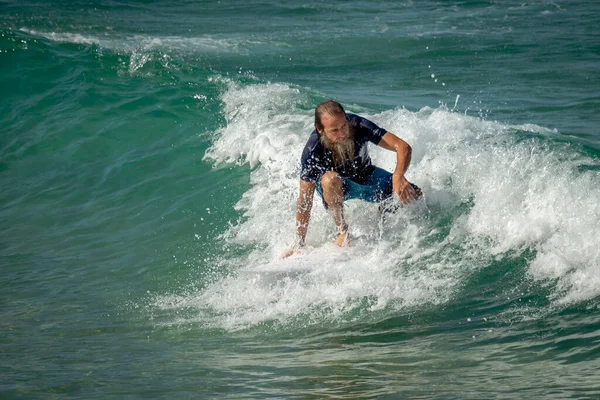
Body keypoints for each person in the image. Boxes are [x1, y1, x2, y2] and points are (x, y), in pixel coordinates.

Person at [283, 100, 421, 258]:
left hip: (366, 176)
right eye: (334, 130)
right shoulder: (313, 150)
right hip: (335, 188)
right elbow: (305, 200)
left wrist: (398, 176)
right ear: (320, 130)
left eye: (343, 126)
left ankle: (384, 210)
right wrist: (298, 243)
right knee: (330, 179)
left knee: (415, 194)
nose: (342, 133)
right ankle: (342, 230)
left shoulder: (359, 125)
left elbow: (402, 146)